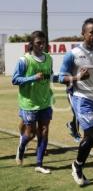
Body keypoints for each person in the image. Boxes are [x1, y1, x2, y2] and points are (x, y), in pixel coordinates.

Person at [59, 18, 93, 185]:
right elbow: (61, 77)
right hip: (81, 98)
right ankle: (77, 166)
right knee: (92, 134)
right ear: (83, 34)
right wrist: (78, 77)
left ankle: (77, 164)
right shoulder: (73, 54)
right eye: (92, 32)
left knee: (90, 137)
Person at [12, 30, 53, 174]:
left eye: (43, 43)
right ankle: (21, 148)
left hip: (45, 102)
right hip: (29, 103)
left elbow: (49, 76)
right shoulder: (24, 60)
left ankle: (39, 164)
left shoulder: (49, 58)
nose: (41, 46)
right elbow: (15, 79)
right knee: (30, 135)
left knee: (44, 132)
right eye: (38, 43)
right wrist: (32, 78)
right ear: (32, 44)